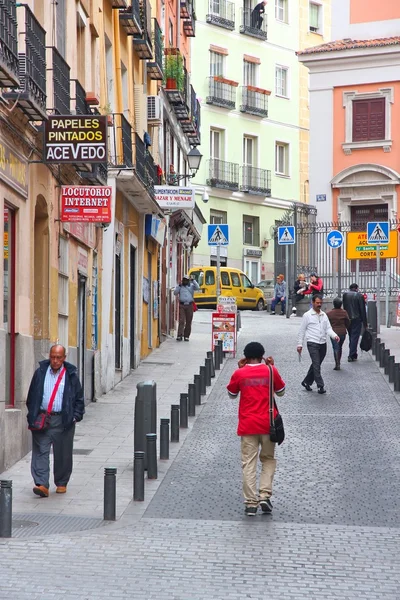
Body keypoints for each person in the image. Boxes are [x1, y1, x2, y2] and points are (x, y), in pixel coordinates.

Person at [227, 342, 285, 516]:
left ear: (245, 356)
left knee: (249, 463)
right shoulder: (270, 370)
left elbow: (231, 394)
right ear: (262, 355)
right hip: (268, 425)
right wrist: (272, 368)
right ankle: (265, 495)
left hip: (247, 425)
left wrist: (240, 370)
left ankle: (251, 503)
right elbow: (281, 392)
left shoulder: (240, 372)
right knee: (268, 459)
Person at [26, 344, 84, 498]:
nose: (55, 360)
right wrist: (32, 415)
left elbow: (79, 398)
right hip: (43, 418)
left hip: (63, 420)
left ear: (64, 358)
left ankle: (61, 482)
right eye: (52, 357)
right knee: (40, 452)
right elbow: (31, 395)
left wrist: (75, 416)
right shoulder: (40, 373)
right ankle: (42, 484)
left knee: (63, 453)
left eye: (59, 357)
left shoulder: (71, 375)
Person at [297, 294, 339, 394]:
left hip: (322, 343)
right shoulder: (307, 315)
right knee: (316, 364)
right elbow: (301, 331)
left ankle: (306, 381)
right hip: (312, 343)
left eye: (320, 303)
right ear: (312, 303)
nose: (319, 305)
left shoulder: (324, 315)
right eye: (317, 303)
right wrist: (299, 344)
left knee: (316, 364)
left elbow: (328, 329)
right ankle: (320, 386)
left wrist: (334, 336)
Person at [342, 283, 368, 362]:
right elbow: (362, 310)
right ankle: (351, 354)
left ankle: (353, 353)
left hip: (348, 318)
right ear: (356, 288)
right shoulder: (359, 296)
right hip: (357, 319)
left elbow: (344, 307)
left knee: (351, 336)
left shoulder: (345, 295)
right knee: (354, 337)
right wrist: (365, 322)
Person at [326, 298, 350, 370]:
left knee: (335, 347)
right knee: (340, 347)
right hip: (342, 332)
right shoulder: (344, 312)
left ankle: (337, 363)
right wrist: (346, 327)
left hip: (333, 332)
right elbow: (348, 322)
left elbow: (327, 323)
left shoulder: (329, 313)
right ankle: (338, 361)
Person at [174, 274, 200, 341]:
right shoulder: (180, 286)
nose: (185, 281)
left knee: (188, 321)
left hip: (189, 305)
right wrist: (178, 286)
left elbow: (198, 287)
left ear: (188, 281)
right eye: (184, 280)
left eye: (186, 280)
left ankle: (186, 336)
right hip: (182, 305)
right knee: (181, 320)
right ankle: (179, 335)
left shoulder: (191, 286)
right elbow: (175, 293)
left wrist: (193, 280)